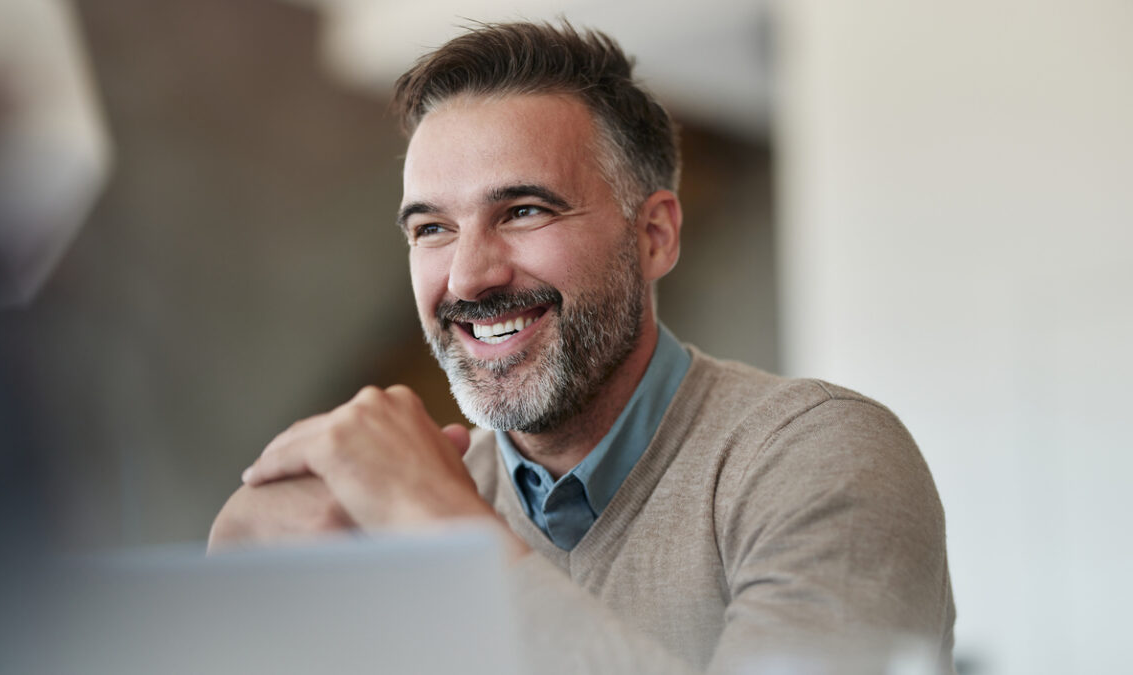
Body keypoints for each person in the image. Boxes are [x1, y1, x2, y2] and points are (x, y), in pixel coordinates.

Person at [209, 21, 956, 673]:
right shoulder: (385, 517)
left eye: (524, 209)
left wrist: (443, 536)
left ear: (654, 234)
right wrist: (234, 617)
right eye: (431, 228)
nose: (469, 275)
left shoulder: (818, 455)